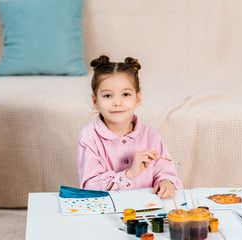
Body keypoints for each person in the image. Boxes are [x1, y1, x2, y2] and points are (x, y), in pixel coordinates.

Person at [77, 55, 182, 199]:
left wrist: (166, 182)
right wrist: (128, 174)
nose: (117, 102)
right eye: (108, 96)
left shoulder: (150, 135)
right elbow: (90, 186)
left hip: (147, 211)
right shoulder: (90, 137)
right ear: (95, 101)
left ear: (137, 98)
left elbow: (165, 172)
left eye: (126, 94)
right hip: (108, 211)